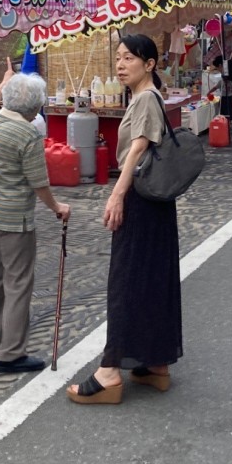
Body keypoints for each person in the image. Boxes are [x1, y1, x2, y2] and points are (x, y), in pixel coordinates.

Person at [68, 33, 182, 405]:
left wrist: (118, 193)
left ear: (149, 65)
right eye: (118, 57)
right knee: (151, 278)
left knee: (125, 280)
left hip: (140, 198)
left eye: (129, 58)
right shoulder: (145, 96)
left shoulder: (147, 97)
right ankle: (155, 364)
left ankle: (110, 371)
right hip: (155, 203)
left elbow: (138, 146)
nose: (120, 64)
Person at [0, 58, 71, 373]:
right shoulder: (27, 134)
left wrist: (4, 82)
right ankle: (10, 352)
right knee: (17, 283)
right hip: (13, 220)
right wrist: (57, 207)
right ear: (34, 109)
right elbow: (39, 183)